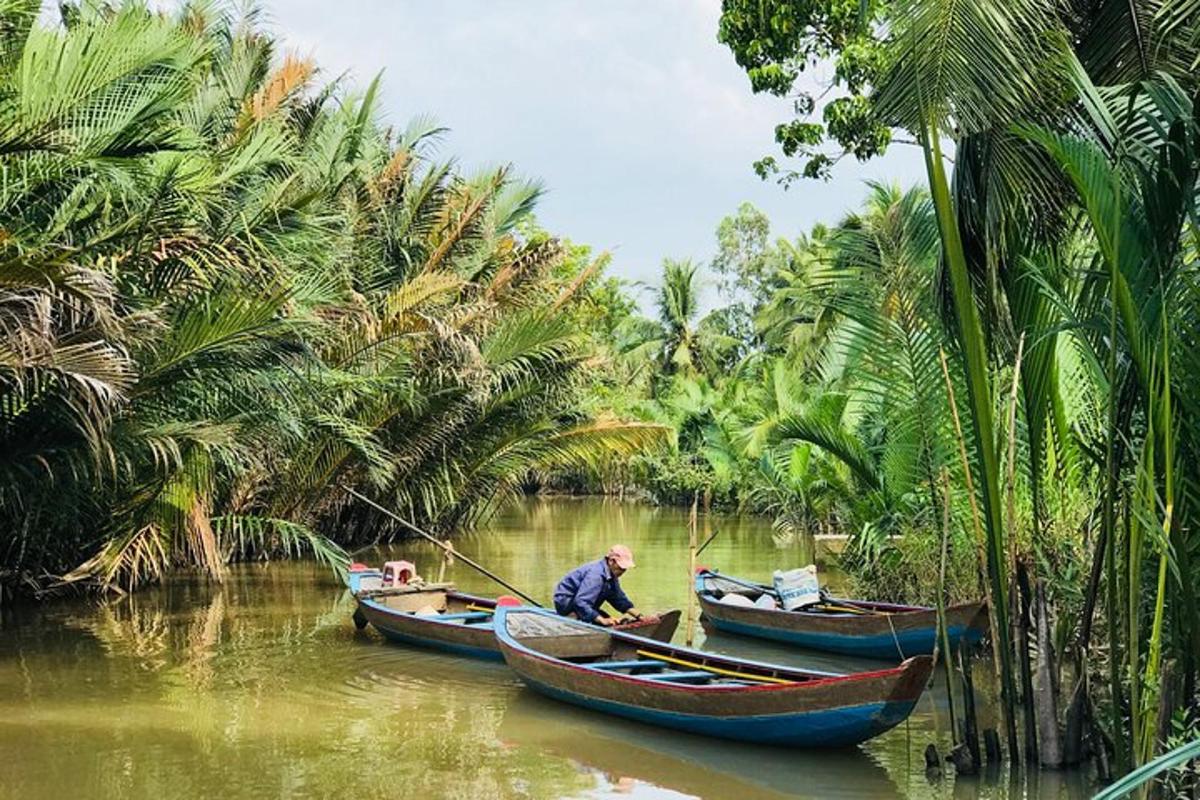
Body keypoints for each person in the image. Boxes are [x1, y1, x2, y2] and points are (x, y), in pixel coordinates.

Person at [553, 545, 649, 626]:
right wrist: (601, 620)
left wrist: (639, 616)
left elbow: (618, 598)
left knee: (611, 621)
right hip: (567, 603)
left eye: (624, 569)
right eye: (621, 568)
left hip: (583, 602)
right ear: (611, 561)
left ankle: (587, 616)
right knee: (603, 621)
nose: (623, 571)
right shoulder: (596, 575)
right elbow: (581, 602)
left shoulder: (611, 575)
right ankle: (573, 616)